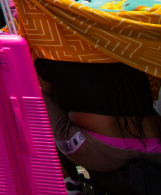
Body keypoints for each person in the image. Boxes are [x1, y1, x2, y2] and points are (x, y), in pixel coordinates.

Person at [35, 58, 161, 194]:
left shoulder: (50, 52)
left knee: (37, 91)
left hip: (103, 152)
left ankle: (70, 183)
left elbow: (46, 87)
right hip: (156, 147)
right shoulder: (121, 48)